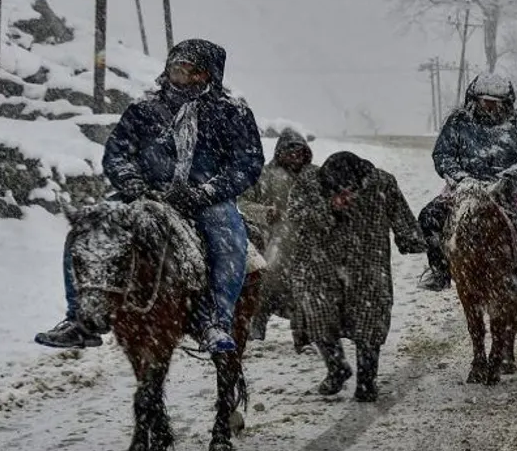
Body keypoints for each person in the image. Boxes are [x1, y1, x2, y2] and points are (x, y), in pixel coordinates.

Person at [34, 39, 265, 352]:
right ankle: (81, 318)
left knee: (229, 238)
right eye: (175, 67)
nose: (179, 74)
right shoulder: (144, 110)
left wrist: (205, 192)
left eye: (189, 69)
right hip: (144, 193)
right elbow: (117, 153)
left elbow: (246, 163)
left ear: (207, 75)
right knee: (87, 228)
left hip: (206, 200)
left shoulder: (232, 113)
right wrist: (135, 185)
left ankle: (216, 319)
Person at [283, 151, 426, 401]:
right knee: (319, 316)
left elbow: (402, 217)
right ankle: (336, 367)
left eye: (350, 189)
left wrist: (412, 238)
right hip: (319, 265)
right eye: (337, 190)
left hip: (367, 263)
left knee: (370, 320)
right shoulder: (308, 184)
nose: (345, 194)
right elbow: (295, 216)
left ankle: (366, 381)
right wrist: (328, 208)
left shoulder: (382, 183)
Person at [416, 73, 517, 295]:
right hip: (465, 188)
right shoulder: (457, 122)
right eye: (485, 100)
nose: (490, 106)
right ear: (474, 99)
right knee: (429, 216)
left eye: (496, 102)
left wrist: (509, 177)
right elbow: (443, 155)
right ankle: (439, 271)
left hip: (513, 190)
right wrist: (461, 178)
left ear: (506, 102)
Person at [239, 128, 316, 348]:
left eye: (299, 151)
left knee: (308, 290)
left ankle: (303, 334)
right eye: (289, 151)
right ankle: (257, 326)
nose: (294, 156)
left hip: (309, 244)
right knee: (266, 283)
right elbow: (242, 203)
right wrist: (264, 213)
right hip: (273, 242)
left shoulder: (316, 176)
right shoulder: (263, 176)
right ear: (279, 152)